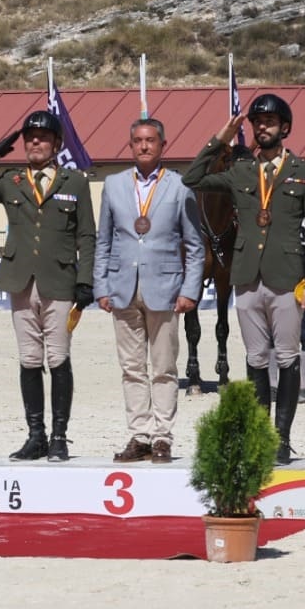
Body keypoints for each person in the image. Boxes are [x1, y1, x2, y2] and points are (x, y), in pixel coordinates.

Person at [184, 93, 305, 464]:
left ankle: (282, 437)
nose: (263, 127)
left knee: (288, 356)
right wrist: (221, 138)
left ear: (285, 128)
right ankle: (262, 436)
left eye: (270, 122)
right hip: (245, 276)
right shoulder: (240, 171)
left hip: (286, 276)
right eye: (257, 122)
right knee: (257, 357)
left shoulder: (304, 173)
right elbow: (191, 178)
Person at [0, 110, 96, 462]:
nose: (35, 141)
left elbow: (86, 234)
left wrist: (86, 280)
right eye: (29, 137)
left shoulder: (75, 182)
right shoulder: (12, 180)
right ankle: (35, 436)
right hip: (21, 281)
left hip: (60, 280)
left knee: (59, 358)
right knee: (29, 359)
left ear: (56, 144)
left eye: (43, 136)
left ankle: (59, 437)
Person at [92, 117, 205, 463]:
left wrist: (190, 289)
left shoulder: (180, 186)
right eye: (138, 140)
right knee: (131, 368)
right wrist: (101, 285)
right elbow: (104, 240)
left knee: (164, 366)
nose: (144, 146)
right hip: (122, 288)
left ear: (162, 145)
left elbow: (195, 244)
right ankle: (139, 435)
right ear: (130, 145)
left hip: (166, 288)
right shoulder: (112, 185)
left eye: (151, 140)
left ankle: (162, 438)